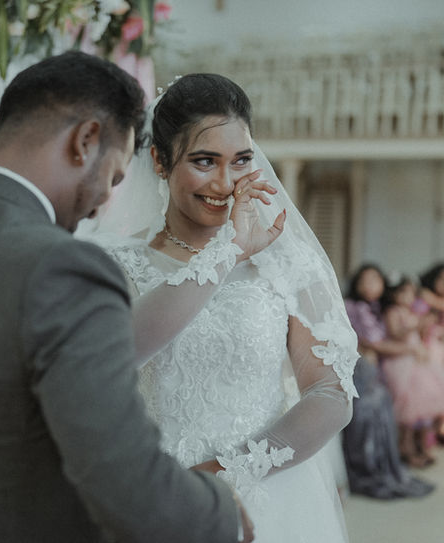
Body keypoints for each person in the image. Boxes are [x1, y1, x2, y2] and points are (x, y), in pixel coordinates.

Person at [0, 52, 254, 543]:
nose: (104, 201)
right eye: (114, 176)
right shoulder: (64, 268)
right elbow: (125, 483)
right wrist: (221, 509)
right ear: (85, 142)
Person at [79, 73, 359, 542]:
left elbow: (331, 393)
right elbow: (115, 358)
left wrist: (227, 472)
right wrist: (229, 248)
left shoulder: (287, 261)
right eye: (205, 161)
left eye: (241, 161)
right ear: (160, 161)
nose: (225, 183)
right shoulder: (116, 262)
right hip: (154, 491)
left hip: (269, 492)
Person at [343, 264, 435, 498]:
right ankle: (367, 465)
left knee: (383, 408)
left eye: (375, 280)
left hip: (374, 369)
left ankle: (386, 461)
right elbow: (374, 341)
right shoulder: (356, 307)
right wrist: (410, 348)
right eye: (365, 281)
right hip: (360, 369)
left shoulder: (377, 307)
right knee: (369, 410)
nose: (370, 286)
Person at [380, 275, 444, 467]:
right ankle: (406, 447)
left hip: (417, 360)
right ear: (393, 294)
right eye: (402, 292)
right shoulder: (393, 312)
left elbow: (420, 336)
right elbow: (397, 334)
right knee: (409, 407)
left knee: (428, 401)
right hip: (401, 361)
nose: (407, 297)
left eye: (411, 293)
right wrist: (413, 325)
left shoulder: (412, 313)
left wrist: (424, 326)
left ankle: (422, 444)